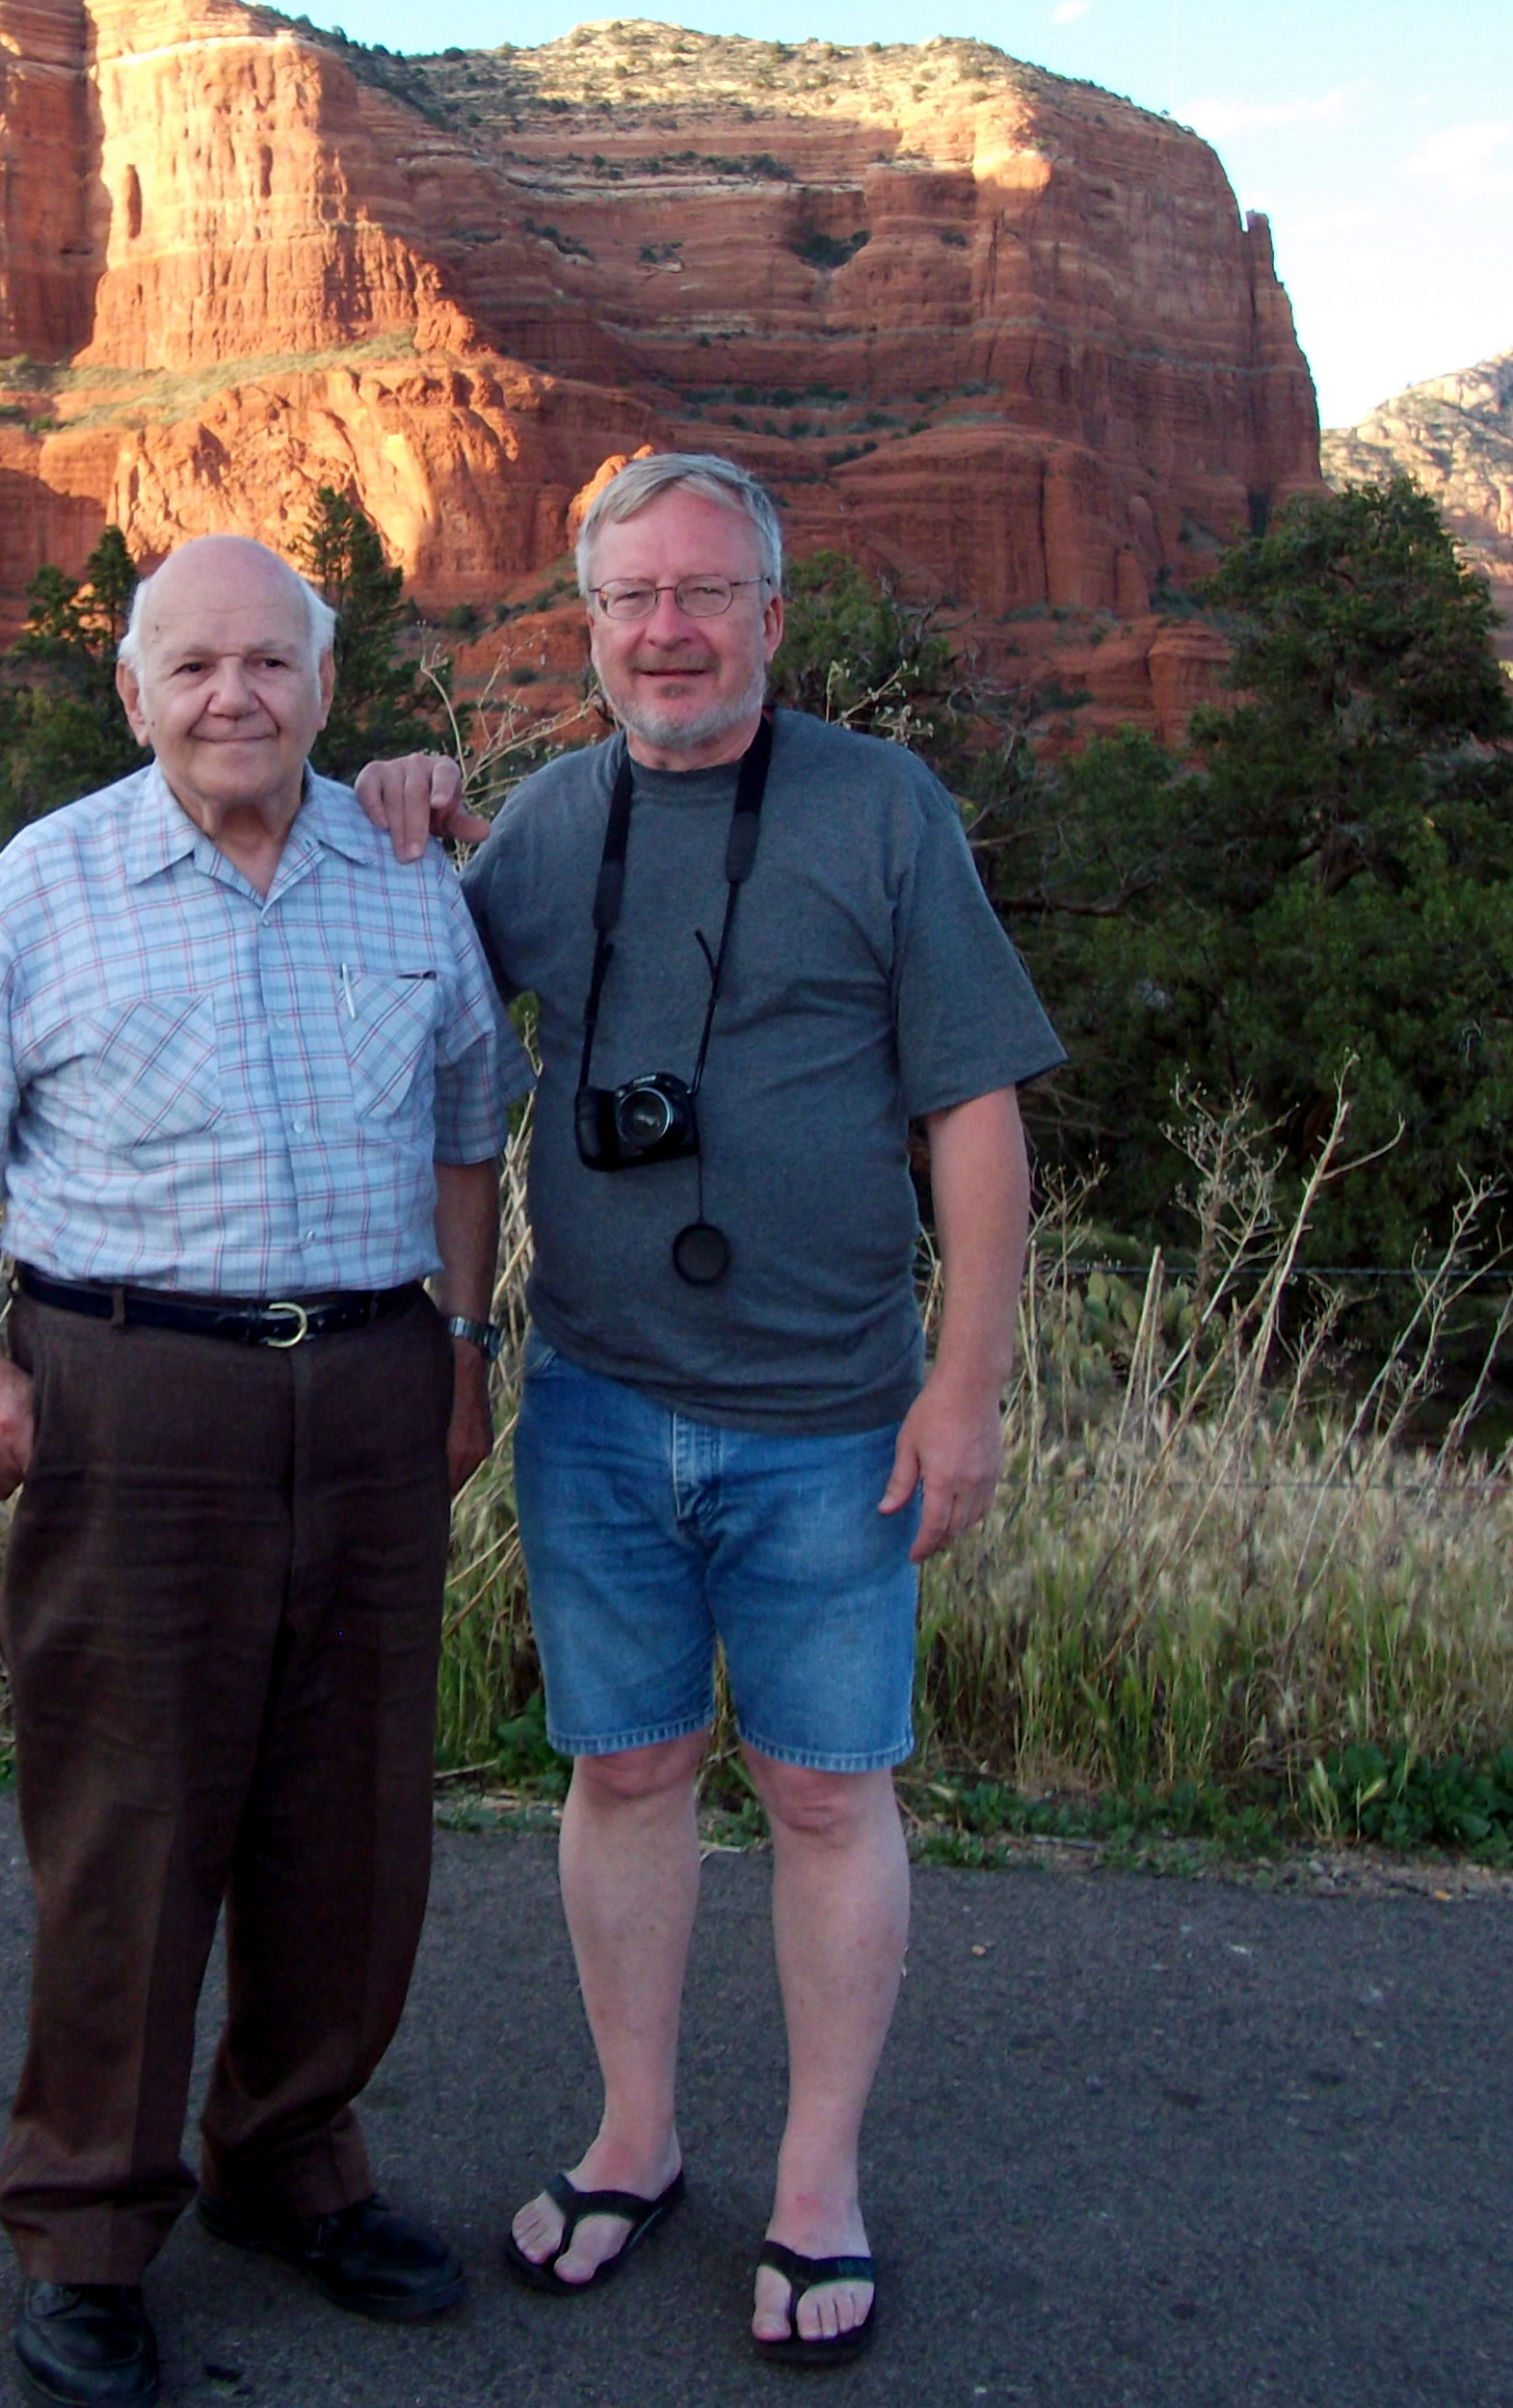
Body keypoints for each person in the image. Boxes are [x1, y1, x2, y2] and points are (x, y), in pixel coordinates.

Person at [358, 451, 1058, 2368]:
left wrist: (964, 1388)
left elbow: (973, 1112)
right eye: (626, 600)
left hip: (836, 1414)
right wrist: (397, 802)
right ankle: (636, 2138)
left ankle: (815, 2183)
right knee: (628, 1771)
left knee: (828, 1789)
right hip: (591, 1403)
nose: (663, 629)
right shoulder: (550, 827)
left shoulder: (879, 809)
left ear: (767, 613)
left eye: (699, 594)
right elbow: (398, 996)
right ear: (585, 625)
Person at [0, 532, 509, 2408]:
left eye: (268, 662)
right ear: (131, 692)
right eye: (194, 664)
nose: (234, 694)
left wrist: (461, 1353)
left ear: (321, 686)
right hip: (128, 1396)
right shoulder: (48, 883)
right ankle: (83, 2232)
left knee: (353, 1817)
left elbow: (468, 1129)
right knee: (130, 1830)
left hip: (374, 1383)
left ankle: (289, 2164)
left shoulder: (404, 876)